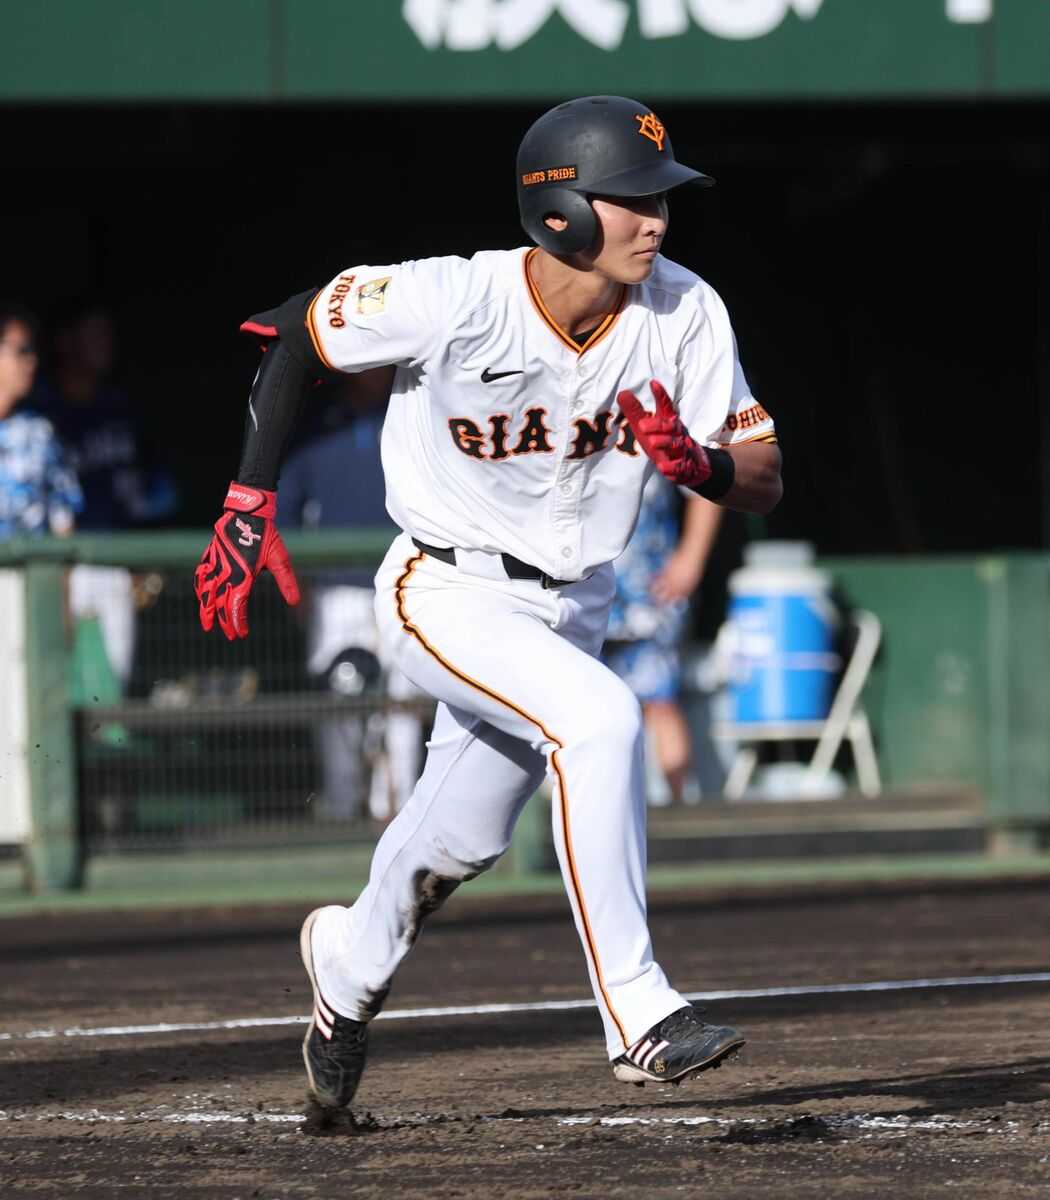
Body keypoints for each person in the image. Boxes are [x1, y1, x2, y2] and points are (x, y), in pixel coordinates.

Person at [194, 95, 782, 1113]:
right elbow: (291, 334)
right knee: (601, 720)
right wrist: (248, 499)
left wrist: (704, 466)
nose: (656, 218)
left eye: (662, 199)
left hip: (576, 605)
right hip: (446, 586)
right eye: (633, 198)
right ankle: (638, 1013)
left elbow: (763, 471)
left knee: (457, 841)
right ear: (560, 211)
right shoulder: (456, 296)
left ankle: (346, 966)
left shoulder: (685, 309)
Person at [278, 366, 427, 823]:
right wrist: (298, 587)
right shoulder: (316, 420)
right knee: (339, 699)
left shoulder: (412, 409)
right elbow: (286, 512)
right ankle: (342, 807)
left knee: (402, 701)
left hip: (405, 583)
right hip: (335, 587)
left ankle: (397, 808)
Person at [33, 299, 179, 688]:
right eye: (93, 333)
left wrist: (142, 558)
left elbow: (157, 494)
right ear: (66, 341)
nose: (104, 343)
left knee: (113, 688)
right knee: (51, 684)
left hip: (115, 561)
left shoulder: (121, 409)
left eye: (107, 334)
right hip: (57, 564)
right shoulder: (40, 414)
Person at [602, 480, 725, 805]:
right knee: (583, 706)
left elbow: (709, 486)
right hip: (577, 590)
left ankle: (677, 809)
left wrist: (691, 560)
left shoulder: (656, 443)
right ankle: (599, 807)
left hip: (650, 590)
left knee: (661, 699)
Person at [0, 305, 82, 538]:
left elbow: (64, 526)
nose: (32, 361)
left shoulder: (40, 433)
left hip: (32, 561)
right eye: (22, 350)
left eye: (32, 351)